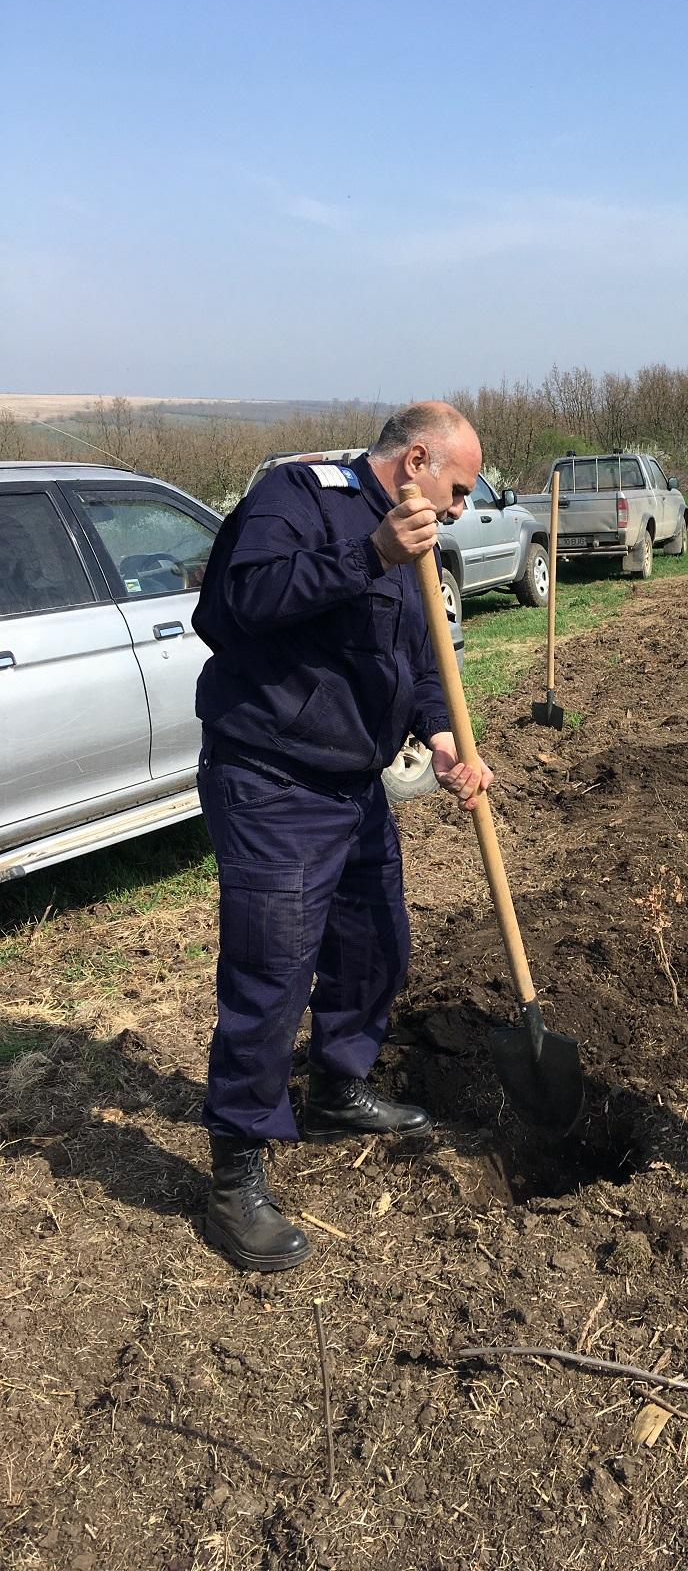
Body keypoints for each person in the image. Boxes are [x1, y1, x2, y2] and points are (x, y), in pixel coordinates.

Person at [192, 402, 493, 1272]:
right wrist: (370, 555)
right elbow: (239, 603)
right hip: (273, 778)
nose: (463, 509)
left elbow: (418, 652)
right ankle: (235, 1170)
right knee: (273, 971)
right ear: (418, 459)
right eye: (460, 490)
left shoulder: (416, 540)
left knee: (375, 945)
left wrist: (440, 732)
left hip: (355, 781)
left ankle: (336, 1087)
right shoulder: (298, 496)